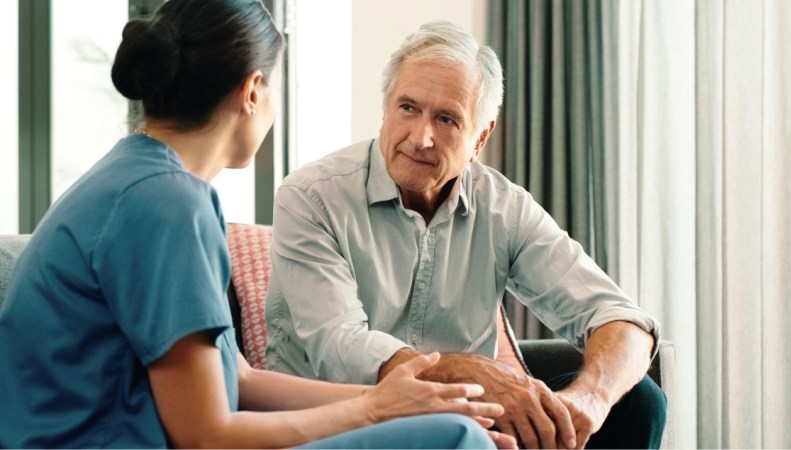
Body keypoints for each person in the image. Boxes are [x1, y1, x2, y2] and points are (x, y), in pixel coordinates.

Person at [0, 3, 517, 449]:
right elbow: (205, 435)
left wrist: (393, 398)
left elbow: (237, 378)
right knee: (461, 440)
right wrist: (375, 412)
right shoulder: (166, 203)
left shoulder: (140, 177)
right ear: (253, 91)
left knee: (447, 427)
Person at [265, 20, 667, 450]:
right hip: (341, 415)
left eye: (447, 119)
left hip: (466, 421)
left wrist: (588, 400)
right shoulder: (310, 196)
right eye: (408, 108)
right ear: (385, 109)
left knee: (639, 402)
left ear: (480, 137)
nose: (421, 138)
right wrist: (464, 371)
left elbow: (622, 320)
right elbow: (339, 348)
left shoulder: (505, 208)